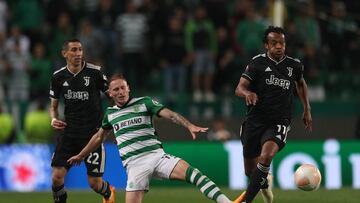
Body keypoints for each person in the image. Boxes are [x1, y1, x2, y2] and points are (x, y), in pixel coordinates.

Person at [68, 74, 243, 203]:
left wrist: (188, 125)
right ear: (110, 93)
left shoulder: (144, 102)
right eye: (116, 89)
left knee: (194, 173)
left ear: (128, 88)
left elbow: (170, 114)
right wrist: (81, 155)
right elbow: (98, 137)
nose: (121, 92)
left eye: (123, 87)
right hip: (135, 165)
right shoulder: (110, 114)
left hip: (156, 156)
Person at [234, 26, 312, 203]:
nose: (279, 46)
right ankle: (265, 183)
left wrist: (307, 108)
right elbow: (239, 88)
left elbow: (300, 83)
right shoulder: (257, 63)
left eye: (282, 43)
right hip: (255, 121)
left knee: (267, 156)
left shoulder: (294, 65)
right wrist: (248, 94)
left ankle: (246, 201)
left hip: (279, 121)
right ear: (266, 45)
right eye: (274, 43)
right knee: (250, 172)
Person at [49, 39, 115, 203]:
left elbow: (113, 98)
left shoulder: (95, 73)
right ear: (64, 53)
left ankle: (108, 192)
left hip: (92, 135)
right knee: (57, 177)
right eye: (74, 50)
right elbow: (54, 106)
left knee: (94, 183)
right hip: (69, 133)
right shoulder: (58, 77)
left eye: (80, 50)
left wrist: (110, 121)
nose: (78, 53)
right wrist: (53, 118)